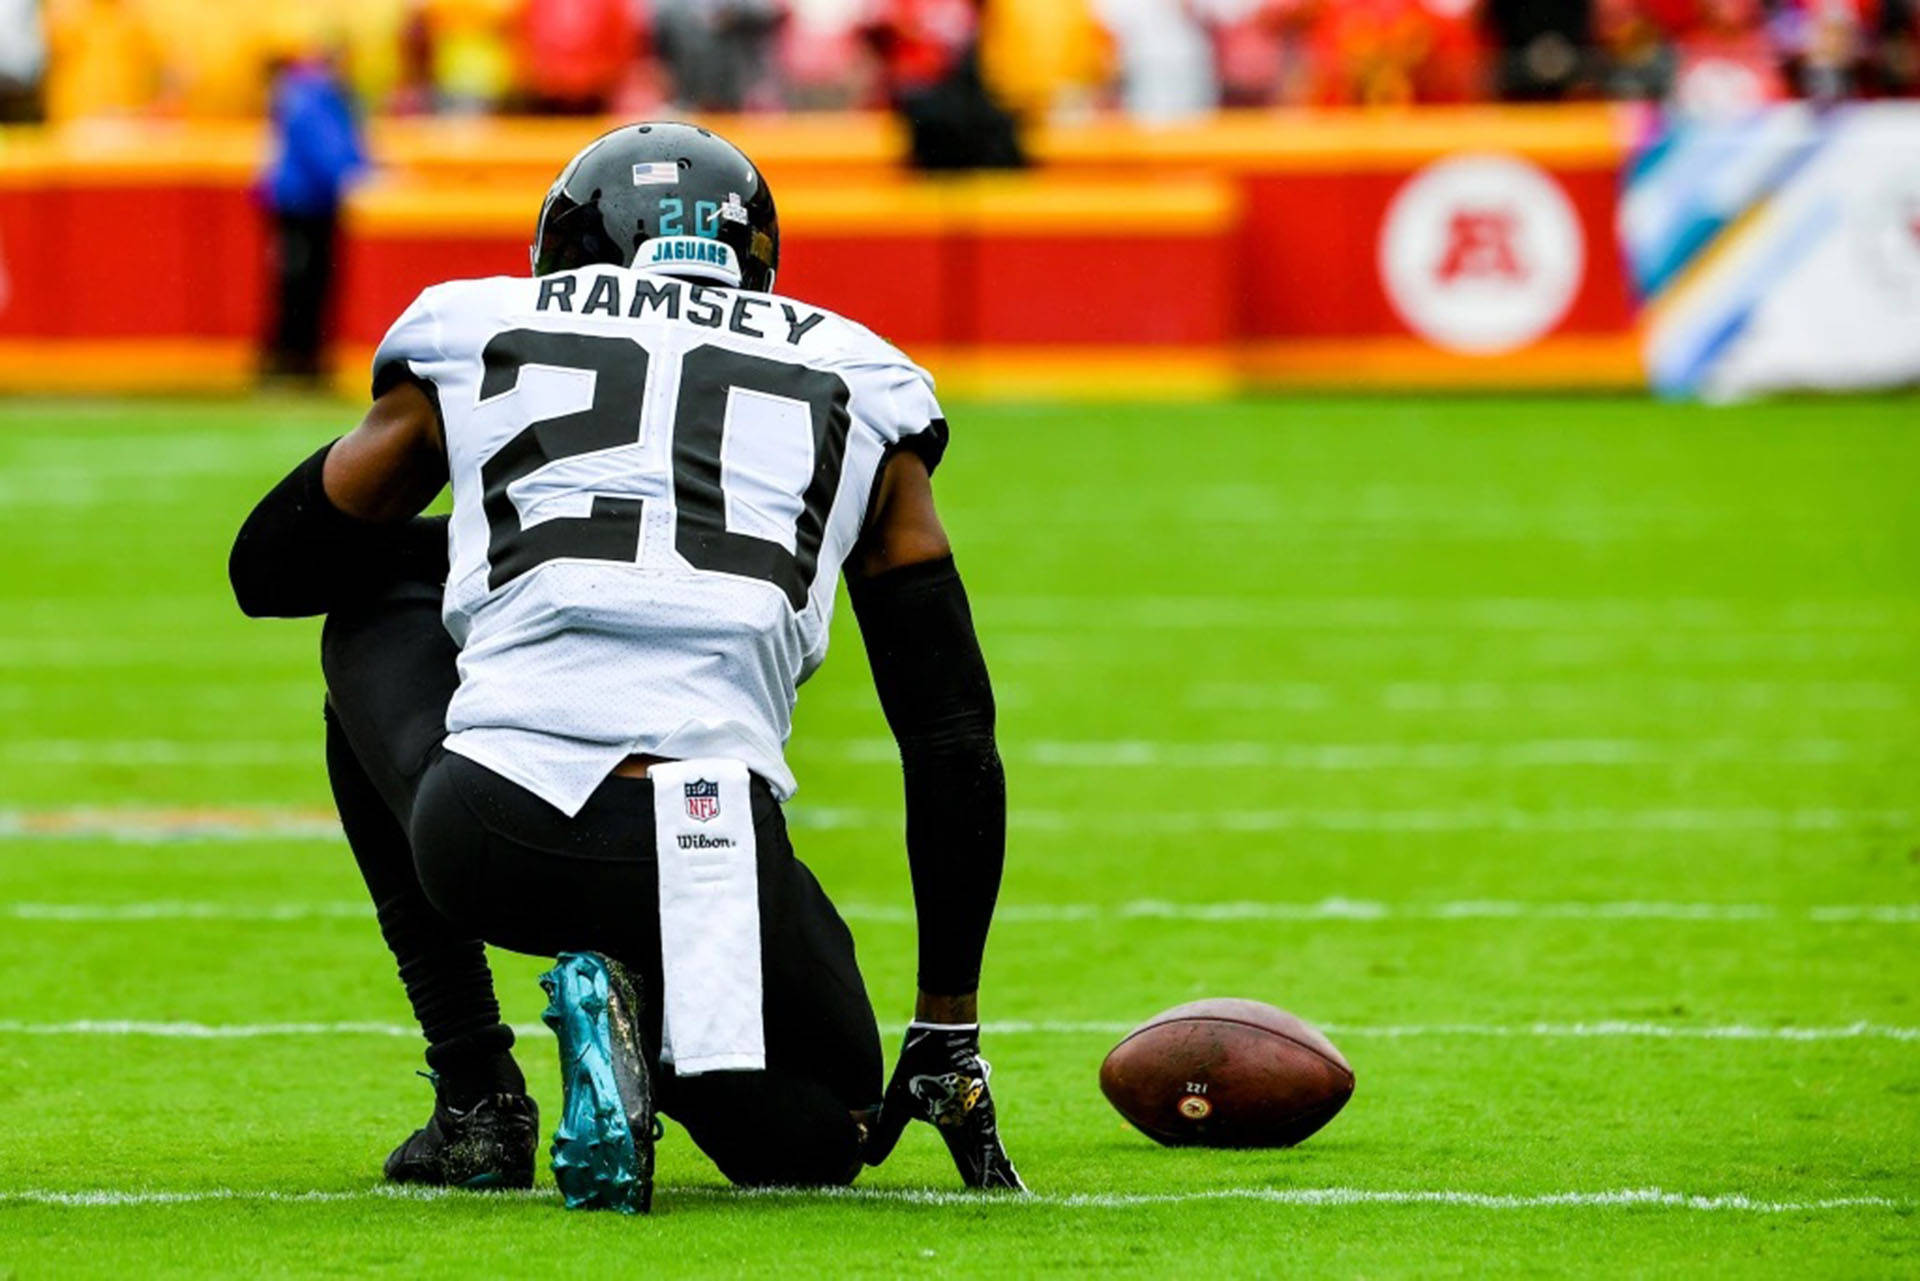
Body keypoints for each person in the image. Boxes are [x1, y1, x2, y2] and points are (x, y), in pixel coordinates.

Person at [230, 122, 1021, 1211]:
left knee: (371, 597)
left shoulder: (480, 327)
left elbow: (271, 568)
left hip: (495, 821)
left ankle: (477, 1096)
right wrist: (946, 1023)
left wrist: (475, 542)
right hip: (715, 846)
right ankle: (653, 1018)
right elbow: (949, 730)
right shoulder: (859, 375)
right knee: (823, 1135)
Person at [260, 50, 366, 382]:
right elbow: (328, 151)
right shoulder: (314, 97)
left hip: (307, 203)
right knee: (301, 284)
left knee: (305, 283)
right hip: (302, 205)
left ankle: (296, 359)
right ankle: (293, 360)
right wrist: (359, 174)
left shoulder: (307, 94)